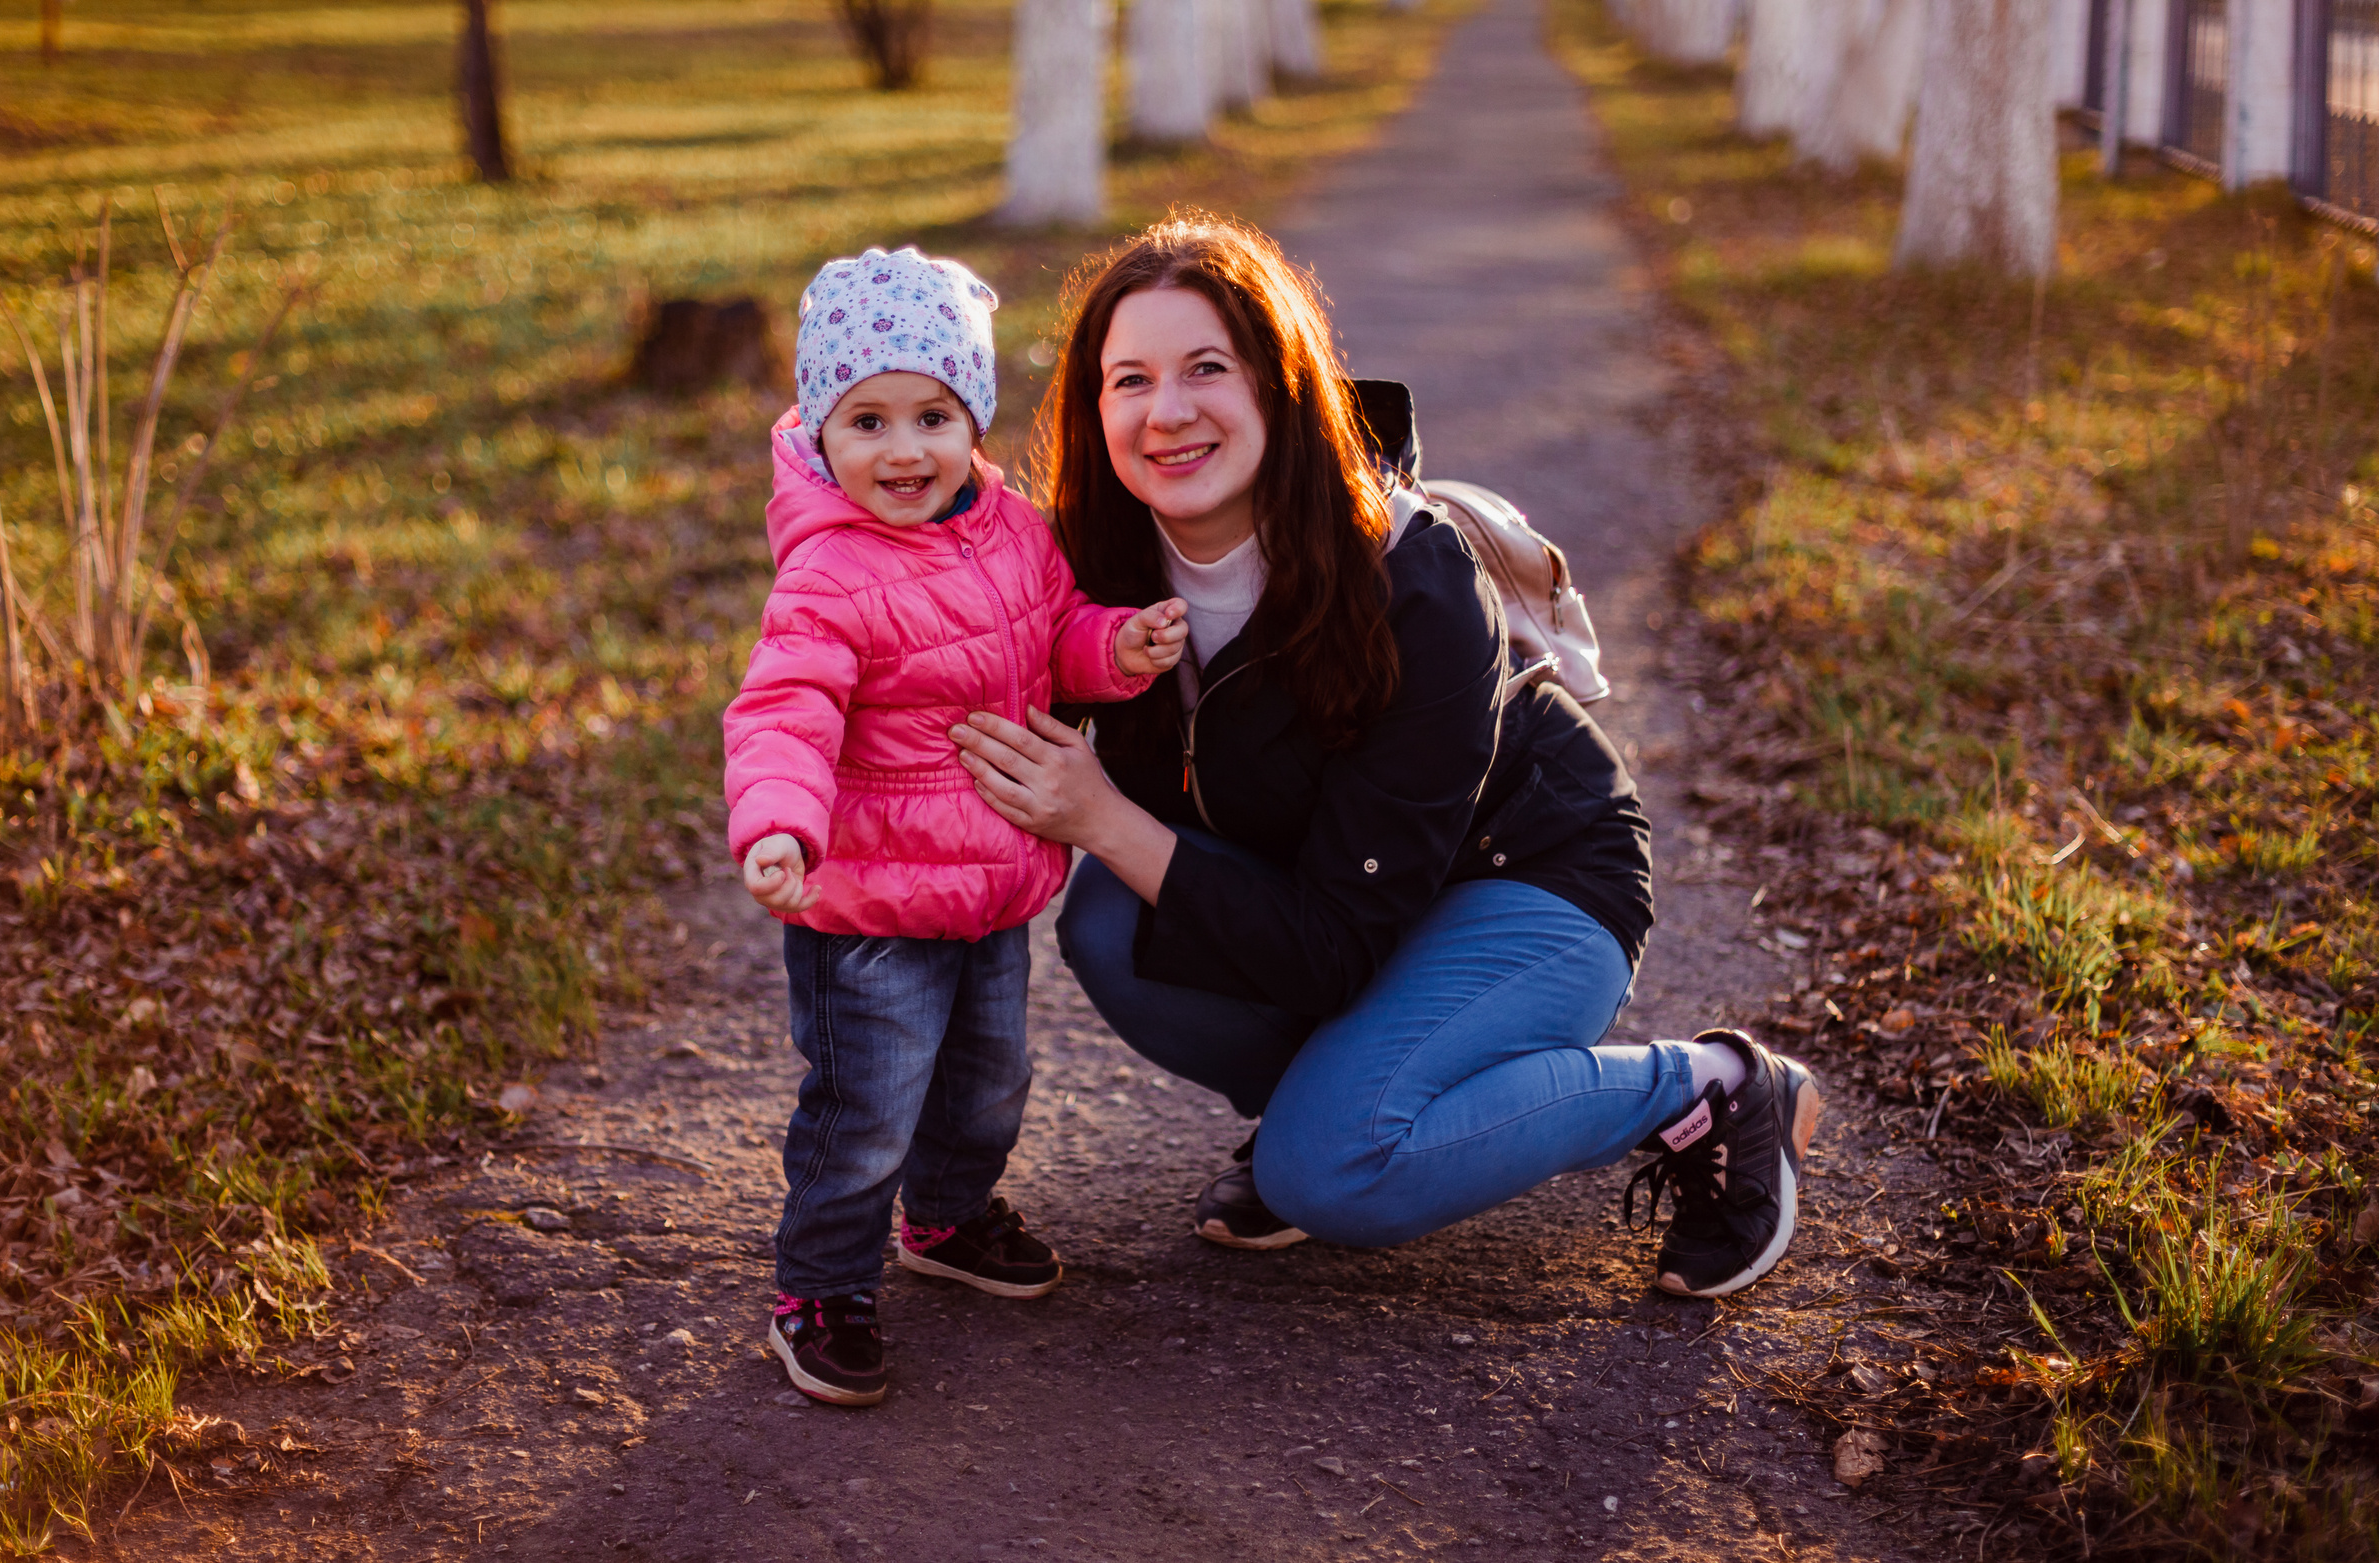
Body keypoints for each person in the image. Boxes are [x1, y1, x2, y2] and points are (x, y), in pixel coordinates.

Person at [948, 215, 1820, 1300]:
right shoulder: (1090, 564)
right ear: (1094, 410)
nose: (1166, 413)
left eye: (1205, 368)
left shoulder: (1412, 576)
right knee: (1110, 924)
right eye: (1129, 381)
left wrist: (1103, 820)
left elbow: (1334, 942)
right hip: (1326, 895)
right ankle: (1339, 1100)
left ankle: (1712, 1088)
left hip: (1528, 882)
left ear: (1280, 381)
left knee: (1334, 1171)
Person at [723, 246, 1189, 1406]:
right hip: (868, 907)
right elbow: (785, 708)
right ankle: (820, 1285)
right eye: (867, 421)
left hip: (990, 888)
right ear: (819, 432)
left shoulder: (1017, 532)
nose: (903, 451)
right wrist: (777, 826)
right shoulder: (826, 573)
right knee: (865, 1104)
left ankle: (946, 1217)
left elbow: (1057, 633)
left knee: (987, 1081)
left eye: (933, 416)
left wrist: (1113, 651)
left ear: (971, 418)